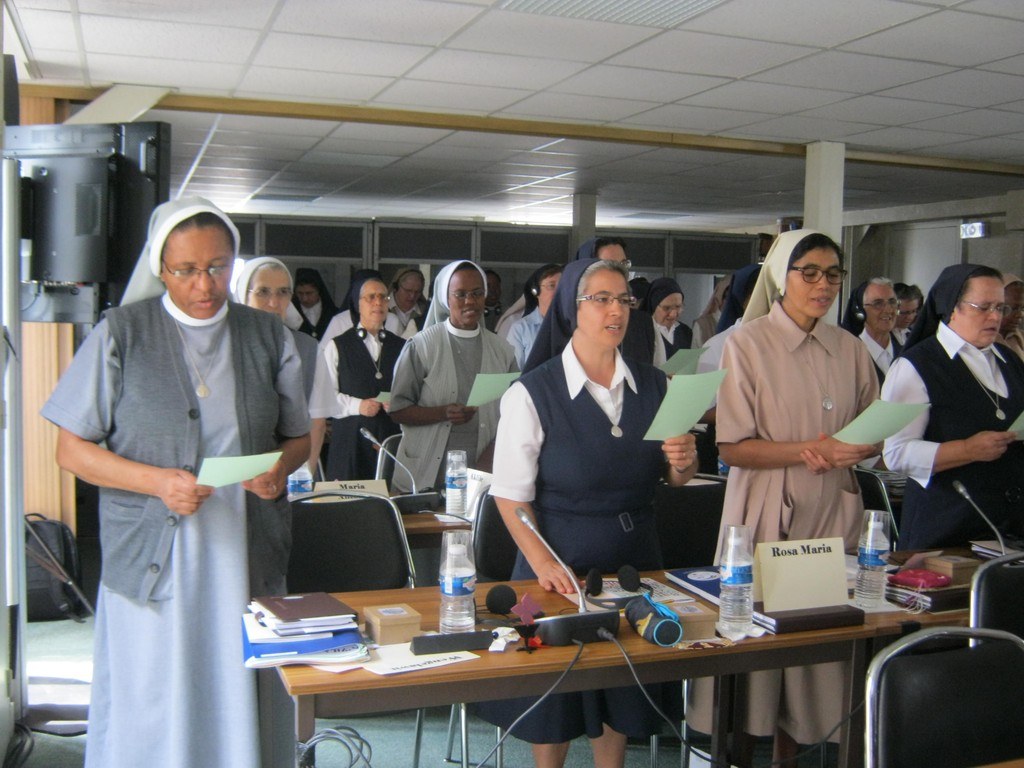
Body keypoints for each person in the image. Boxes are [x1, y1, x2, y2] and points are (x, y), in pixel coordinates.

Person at [40, 198, 310, 768]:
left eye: (217, 267)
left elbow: (298, 438)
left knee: (239, 686)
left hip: (242, 548)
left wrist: (280, 469)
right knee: (156, 696)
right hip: (153, 553)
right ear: (160, 268)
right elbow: (71, 450)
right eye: (186, 269)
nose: (204, 284)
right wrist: (157, 482)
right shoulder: (122, 333)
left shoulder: (268, 336)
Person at [475, 258, 698, 768]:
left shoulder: (656, 384)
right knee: (553, 696)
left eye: (623, 300)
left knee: (621, 688)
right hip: (554, 563)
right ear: (571, 308)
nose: (615, 310)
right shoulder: (532, 392)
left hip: (634, 556)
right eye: (600, 299)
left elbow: (675, 478)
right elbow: (510, 496)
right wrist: (543, 563)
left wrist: (684, 461)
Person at [687, 230, 879, 762]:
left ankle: (790, 758)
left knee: (818, 646)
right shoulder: (748, 343)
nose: (823, 285)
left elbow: (874, 426)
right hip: (766, 508)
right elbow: (733, 446)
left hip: (832, 508)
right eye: (808, 272)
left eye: (833, 274)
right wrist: (809, 450)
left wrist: (862, 445)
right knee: (759, 653)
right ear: (780, 277)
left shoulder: (851, 348)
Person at [882, 264, 1024, 550]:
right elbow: (896, 453)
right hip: (943, 529)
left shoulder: (1009, 360)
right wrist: (967, 450)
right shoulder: (915, 366)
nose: (995, 316)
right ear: (952, 308)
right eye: (983, 307)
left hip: (1007, 530)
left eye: (1000, 308)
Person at [389, 260, 517, 492]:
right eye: (461, 294)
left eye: (477, 293)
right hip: (426, 472)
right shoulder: (422, 346)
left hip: (484, 470)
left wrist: (487, 464)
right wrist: (442, 413)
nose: (470, 301)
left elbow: (513, 414)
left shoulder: (502, 350)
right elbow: (398, 410)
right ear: (445, 299)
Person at [233, 257, 336, 474]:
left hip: (290, 472)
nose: (274, 302)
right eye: (263, 292)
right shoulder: (224, 345)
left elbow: (316, 422)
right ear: (243, 295)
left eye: (283, 292)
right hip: (231, 469)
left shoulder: (308, 349)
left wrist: (303, 476)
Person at [315, 272, 406, 481]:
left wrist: (399, 402)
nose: (378, 302)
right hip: (350, 443)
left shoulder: (401, 346)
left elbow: (411, 390)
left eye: (383, 297)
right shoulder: (337, 346)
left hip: (389, 440)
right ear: (358, 304)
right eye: (371, 297)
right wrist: (358, 406)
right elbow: (325, 397)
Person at [525, 237, 665, 371]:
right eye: (609, 264)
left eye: (623, 264)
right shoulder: (564, 328)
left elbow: (659, 371)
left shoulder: (644, 324)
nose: (619, 272)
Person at [841, 277, 902, 384]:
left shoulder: (906, 354)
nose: (888, 310)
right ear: (860, 312)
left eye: (892, 302)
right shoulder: (848, 357)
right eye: (878, 303)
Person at [506, 263, 562, 369]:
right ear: (536, 291)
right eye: (551, 286)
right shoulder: (520, 329)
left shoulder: (574, 325)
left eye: (562, 286)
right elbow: (514, 371)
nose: (558, 291)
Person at [640, 277, 693, 358]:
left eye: (678, 307)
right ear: (654, 306)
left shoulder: (686, 332)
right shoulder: (642, 333)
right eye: (667, 308)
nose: (673, 314)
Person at [291, 267, 338, 341]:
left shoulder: (334, 314)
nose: (304, 298)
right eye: (300, 293)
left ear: (318, 291)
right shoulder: (290, 314)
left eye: (309, 293)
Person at [692, 273, 732, 348]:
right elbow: (695, 352)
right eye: (727, 298)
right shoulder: (703, 325)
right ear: (719, 299)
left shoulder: (742, 323)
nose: (731, 302)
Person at [389, 266, 427, 338]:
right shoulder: (381, 308)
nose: (412, 296)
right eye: (408, 291)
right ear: (396, 287)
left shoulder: (425, 313)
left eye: (417, 292)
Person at [998, 273, 1024, 361]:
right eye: (1014, 308)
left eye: (1022, 309)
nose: (1020, 315)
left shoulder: (1020, 338)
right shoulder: (982, 341)